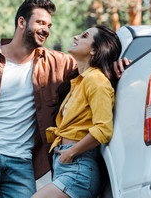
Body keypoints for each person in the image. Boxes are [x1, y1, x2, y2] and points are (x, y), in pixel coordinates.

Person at [0, 0, 129, 198]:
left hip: (22, 164)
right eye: (41, 23)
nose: (46, 30)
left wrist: (114, 64)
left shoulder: (57, 63)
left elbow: (94, 64)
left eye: (49, 25)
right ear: (21, 22)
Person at [31, 25, 122, 198]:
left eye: (84, 36)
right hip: (65, 165)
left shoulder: (96, 81)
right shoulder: (79, 81)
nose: (76, 36)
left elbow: (103, 130)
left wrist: (70, 153)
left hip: (78, 168)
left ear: (94, 50)